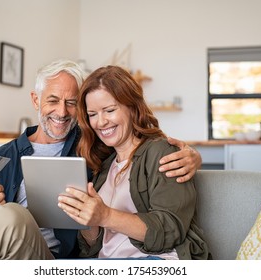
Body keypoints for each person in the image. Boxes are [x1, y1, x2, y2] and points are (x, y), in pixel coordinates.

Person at [0, 59, 202, 260]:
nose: (62, 112)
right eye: (53, 100)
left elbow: (139, 150)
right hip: (4, 258)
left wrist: (192, 156)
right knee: (4, 216)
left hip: (52, 261)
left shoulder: (93, 147)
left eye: (72, 103)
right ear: (35, 100)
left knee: (14, 215)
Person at [58, 65, 210, 259]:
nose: (101, 122)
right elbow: (92, 246)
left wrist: (106, 215)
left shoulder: (162, 153)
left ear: (131, 107)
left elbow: (170, 230)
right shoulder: (105, 164)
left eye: (109, 110)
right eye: (93, 114)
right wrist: (88, 219)